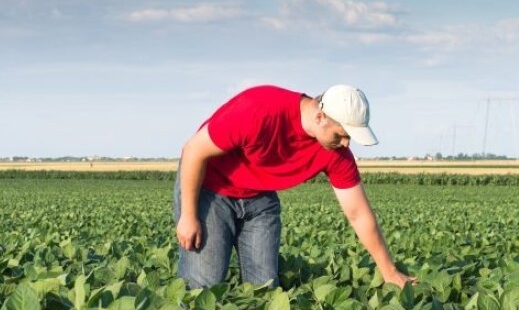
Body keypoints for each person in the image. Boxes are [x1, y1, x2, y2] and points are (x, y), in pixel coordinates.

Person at [174, 84, 416, 289]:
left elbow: (359, 214)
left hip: (259, 198)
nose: (345, 143)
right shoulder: (258, 109)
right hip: (210, 190)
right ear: (320, 117)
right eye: (341, 134)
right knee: (203, 287)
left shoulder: (335, 153)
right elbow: (193, 151)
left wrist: (389, 272)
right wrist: (188, 215)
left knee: (265, 289)